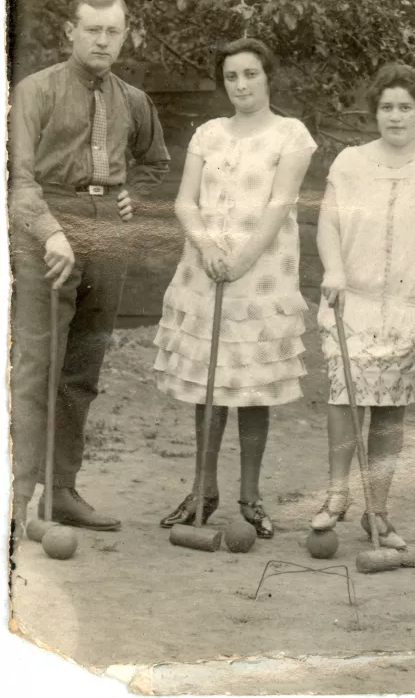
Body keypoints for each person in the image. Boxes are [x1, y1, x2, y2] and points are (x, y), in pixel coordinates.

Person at [10, 0, 170, 539]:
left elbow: (154, 162)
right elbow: (18, 178)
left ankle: (61, 493)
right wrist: (52, 232)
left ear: (124, 36)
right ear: (70, 33)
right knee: (36, 368)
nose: (103, 41)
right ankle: (14, 498)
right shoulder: (35, 92)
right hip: (47, 226)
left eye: (113, 32)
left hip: (109, 233)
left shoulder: (134, 100)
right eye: (93, 30)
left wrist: (138, 200)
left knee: (81, 370)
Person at [311, 63, 415, 549]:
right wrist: (335, 270)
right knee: (345, 398)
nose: (396, 116)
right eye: (387, 107)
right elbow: (328, 225)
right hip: (354, 303)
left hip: (409, 310)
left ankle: (377, 512)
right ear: (374, 113)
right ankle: (336, 496)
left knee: (391, 410)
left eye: (406, 107)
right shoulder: (350, 162)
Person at [154, 38, 316, 538]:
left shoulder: (292, 135)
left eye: (251, 74)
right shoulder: (208, 134)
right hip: (206, 272)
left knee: (251, 389)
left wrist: (242, 260)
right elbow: (185, 202)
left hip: (260, 279)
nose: (241, 85)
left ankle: (250, 495)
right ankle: (203, 489)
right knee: (208, 387)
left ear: (268, 77)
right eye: (231, 77)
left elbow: (279, 205)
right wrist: (208, 251)